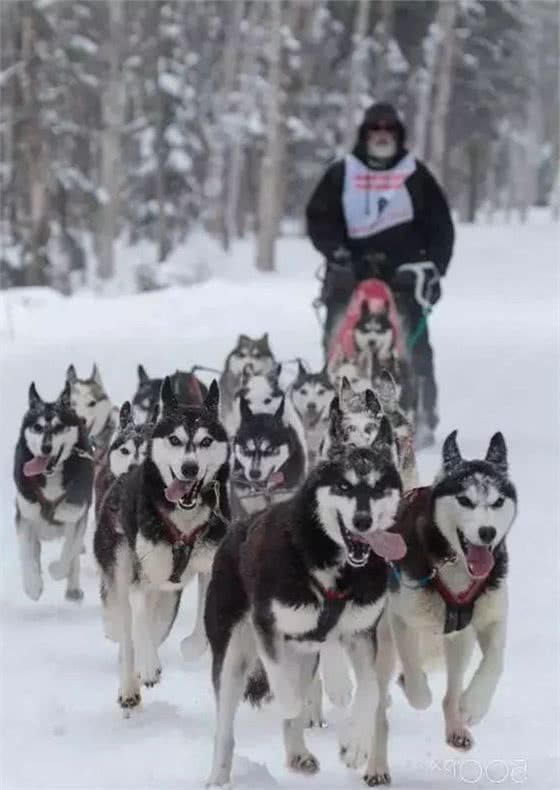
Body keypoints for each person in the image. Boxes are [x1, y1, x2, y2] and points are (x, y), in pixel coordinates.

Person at [306, 101, 454, 446]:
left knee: (413, 347)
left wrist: (433, 269)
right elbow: (319, 218)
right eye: (376, 129)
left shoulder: (415, 175)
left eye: (389, 129)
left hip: (403, 274)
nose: (382, 135)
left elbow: (441, 226)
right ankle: (334, 413)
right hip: (350, 271)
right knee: (337, 343)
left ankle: (422, 414)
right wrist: (336, 252)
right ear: (365, 133)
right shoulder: (342, 172)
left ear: (398, 134)